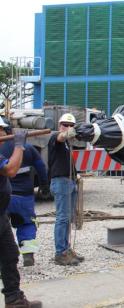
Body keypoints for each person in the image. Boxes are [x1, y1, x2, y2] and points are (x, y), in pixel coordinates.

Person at [0, 121, 42, 307]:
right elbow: (10, 170)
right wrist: (19, 145)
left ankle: (14, 299)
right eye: (2, 131)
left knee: (9, 254)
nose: (3, 135)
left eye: (4, 131)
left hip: (1, 214)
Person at [0, 121, 49, 267]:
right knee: (27, 223)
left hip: (4, 199)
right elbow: (41, 167)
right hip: (24, 197)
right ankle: (28, 254)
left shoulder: (2, 149)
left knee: (3, 228)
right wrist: (44, 185)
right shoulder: (26, 148)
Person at [48, 113, 84, 266]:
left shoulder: (68, 144)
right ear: (59, 125)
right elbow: (60, 137)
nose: (68, 128)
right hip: (61, 181)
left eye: (71, 126)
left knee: (68, 218)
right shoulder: (55, 137)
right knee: (62, 218)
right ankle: (60, 252)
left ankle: (66, 248)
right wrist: (68, 133)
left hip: (69, 181)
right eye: (65, 125)